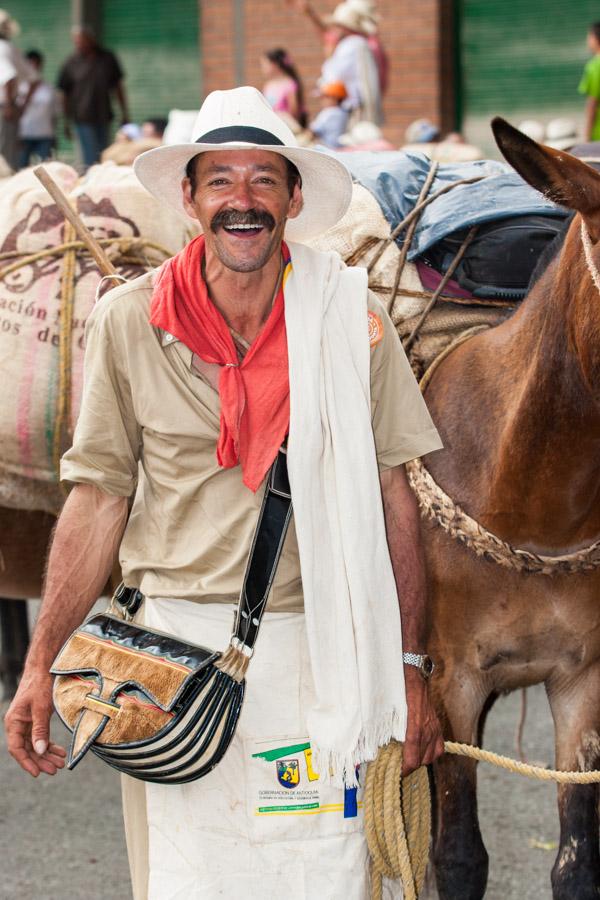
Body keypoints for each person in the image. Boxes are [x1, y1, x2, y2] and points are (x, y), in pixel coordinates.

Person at [5, 86, 444, 898]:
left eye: (263, 180)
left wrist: (412, 668)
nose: (242, 201)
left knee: (329, 877)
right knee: (190, 880)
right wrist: (38, 666)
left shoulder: (350, 318)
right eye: (221, 180)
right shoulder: (129, 322)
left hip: (326, 658)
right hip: (170, 667)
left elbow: (394, 498)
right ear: (190, 198)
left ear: (294, 198)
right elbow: (99, 498)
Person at [57, 25, 129, 167]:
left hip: (104, 115)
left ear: (91, 39)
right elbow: (64, 93)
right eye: (76, 41)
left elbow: (118, 87)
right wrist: (65, 120)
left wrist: (124, 113)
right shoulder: (71, 63)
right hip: (82, 117)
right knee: (90, 157)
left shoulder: (107, 58)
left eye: (82, 40)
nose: (79, 44)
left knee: (105, 154)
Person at [318, 1, 382, 125]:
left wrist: (329, 54)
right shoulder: (361, 44)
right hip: (360, 109)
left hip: (355, 111)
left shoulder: (351, 45)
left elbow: (332, 77)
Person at [0, 9, 37, 169]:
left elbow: (9, 77)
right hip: (9, 108)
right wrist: (22, 106)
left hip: (3, 109)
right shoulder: (10, 48)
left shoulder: (1, 48)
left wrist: (9, 106)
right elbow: (34, 79)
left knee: (4, 156)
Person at [18, 50, 58, 167]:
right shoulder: (19, 88)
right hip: (24, 134)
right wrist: (30, 91)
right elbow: (17, 112)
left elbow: (54, 114)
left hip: (45, 134)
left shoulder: (49, 89)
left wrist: (54, 136)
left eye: (36, 64)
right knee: (22, 167)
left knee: (46, 167)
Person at [260, 47, 307, 128]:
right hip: (271, 126)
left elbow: (293, 111)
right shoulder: (268, 85)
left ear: (275, 65)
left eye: (265, 64)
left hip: (286, 126)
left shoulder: (289, 84)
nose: (262, 68)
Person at [308, 79, 349, 147]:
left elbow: (313, 131)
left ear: (334, 98)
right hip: (338, 146)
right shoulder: (343, 112)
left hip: (326, 148)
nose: (321, 100)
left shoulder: (329, 113)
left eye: (324, 97)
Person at [579, 22, 600, 142]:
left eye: (589, 37)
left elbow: (592, 102)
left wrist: (587, 135)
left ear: (595, 39)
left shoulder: (595, 66)